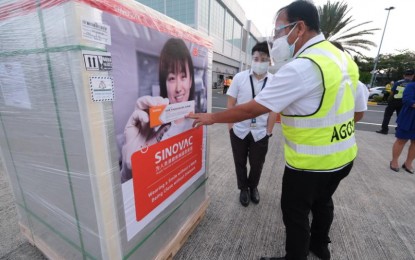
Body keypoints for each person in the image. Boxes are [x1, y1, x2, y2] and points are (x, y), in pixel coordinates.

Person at [188, 1, 367, 259]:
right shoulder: (343, 59)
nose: (276, 38)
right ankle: (319, 246)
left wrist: (212, 117)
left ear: (300, 28)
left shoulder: (303, 66)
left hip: (309, 165)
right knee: (323, 202)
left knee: (294, 214)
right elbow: (357, 112)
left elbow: (253, 109)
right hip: (344, 156)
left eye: (280, 30)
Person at [120, 38, 196, 183]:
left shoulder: (198, 122)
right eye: (172, 78)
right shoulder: (153, 130)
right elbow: (132, 186)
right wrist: (130, 167)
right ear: (164, 84)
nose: (179, 88)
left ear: (191, 81)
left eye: (183, 77)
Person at [227, 41, 278, 207]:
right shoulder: (239, 78)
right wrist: (230, 127)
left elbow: (274, 109)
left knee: (257, 164)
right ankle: (243, 188)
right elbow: (231, 104)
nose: (259, 62)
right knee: (239, 162)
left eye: (263, 59)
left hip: (261, 132)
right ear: (251, 58)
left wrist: (269, 131)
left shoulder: (274, 81)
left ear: (269, 61)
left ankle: (253, 186)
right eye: (256, 58)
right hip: (239, 129)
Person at [376, 69, 415, 134]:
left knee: (387, 115)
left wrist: (389, 99)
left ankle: (384, 129)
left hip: (394, 100)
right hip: (403, 102)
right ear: (412, 75)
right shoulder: (412, 84)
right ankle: (398, 130)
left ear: (404, 75)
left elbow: (392, 92)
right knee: (400, 116)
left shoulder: (399, 82)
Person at [390, 78, 415, 174]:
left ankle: (408, 163)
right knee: (401, 140)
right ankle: (394, 161)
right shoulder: (411, 86)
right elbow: (407, 100)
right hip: (409, 117)